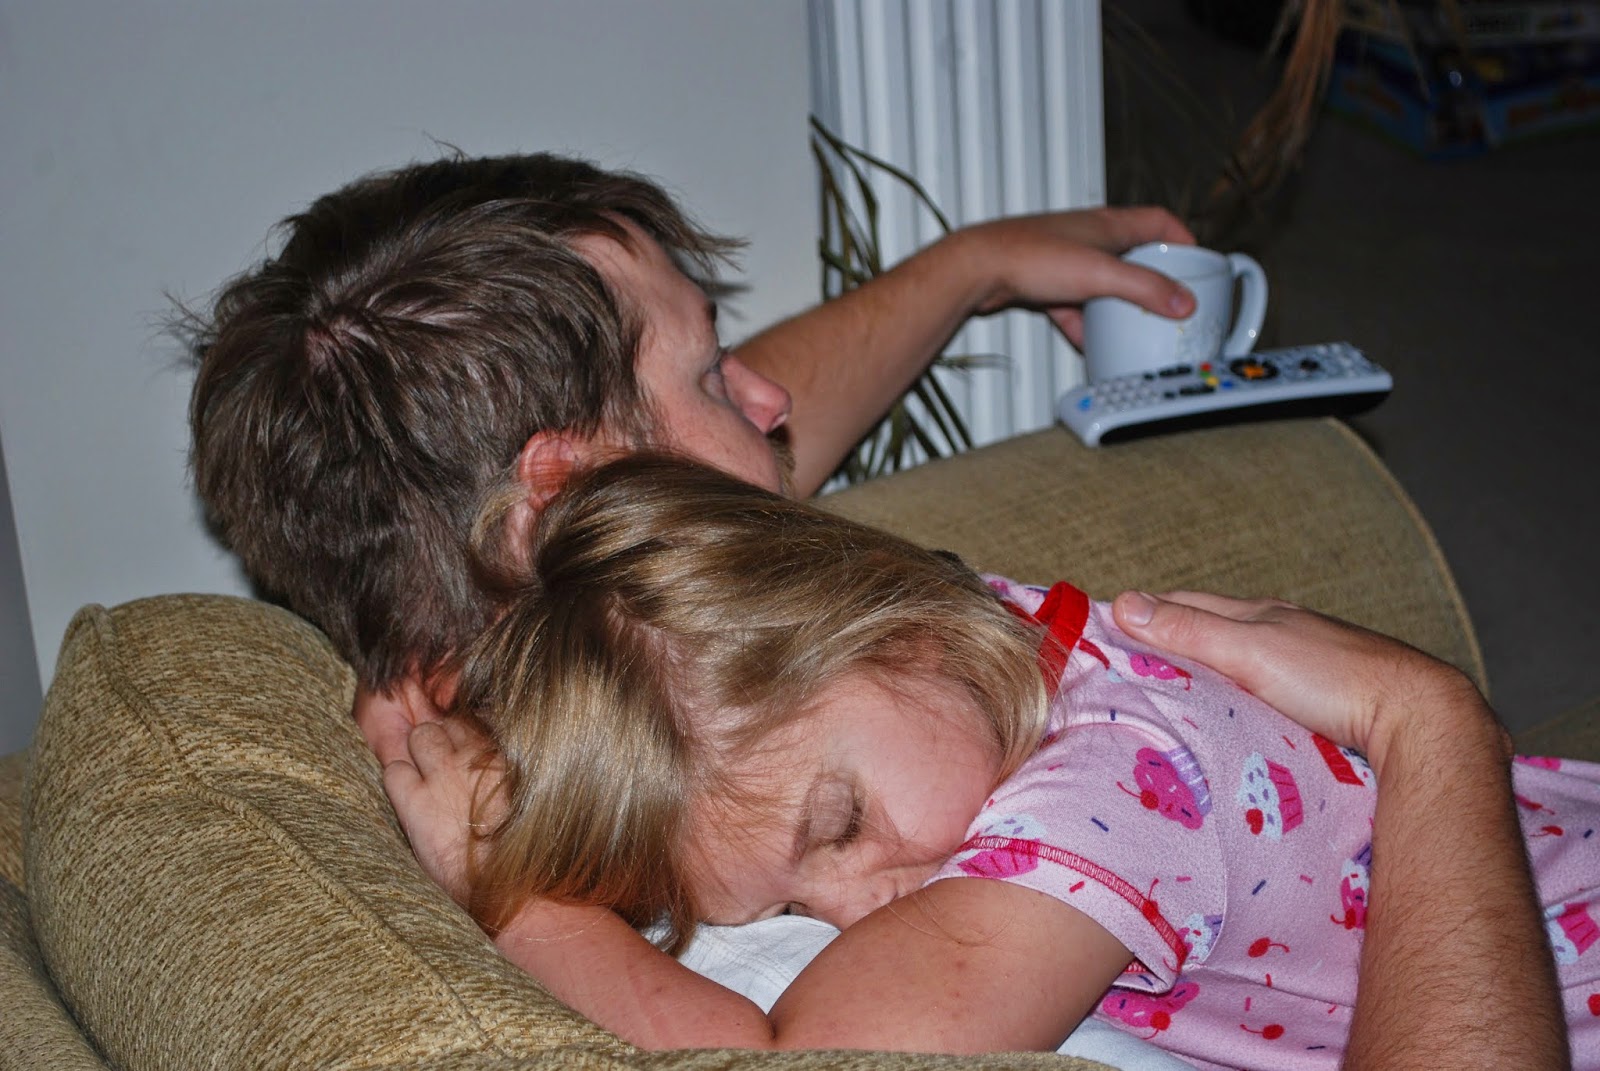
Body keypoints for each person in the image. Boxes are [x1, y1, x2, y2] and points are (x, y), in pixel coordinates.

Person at [186, 151, 1565, 1067]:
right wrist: (521, 896)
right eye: (711, 376)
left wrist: (969, 268)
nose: (773, 401)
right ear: (577, 492)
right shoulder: (761, 730)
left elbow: (721, 474)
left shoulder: (638, 651)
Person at [403, 454, 1596, 1068]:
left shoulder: (1110, 788)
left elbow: (805, 1066)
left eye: (838, 826)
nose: (856, 909)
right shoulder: (991, 646)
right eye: (789, 908)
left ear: (898, 630)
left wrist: (520, 901)